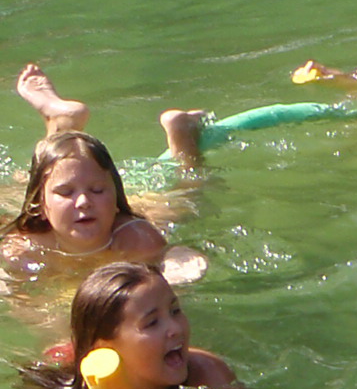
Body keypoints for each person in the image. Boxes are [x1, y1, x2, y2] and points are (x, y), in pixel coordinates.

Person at [8, 66, 212, 278]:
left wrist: (175, 262)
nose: (84, 202)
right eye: (66, 193)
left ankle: (184, 138)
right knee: (23, 188)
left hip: (144, 211)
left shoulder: (137, 241)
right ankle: (62, 124)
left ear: (116, 198)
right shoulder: (23, 249)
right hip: (43, 212)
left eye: (97, 190)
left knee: (188, 194)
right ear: (41, 207)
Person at [17, 262, 259, 389]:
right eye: (152, 323)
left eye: (175, 311)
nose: (175, 329)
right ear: (106, 347)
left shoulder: (205, 371)